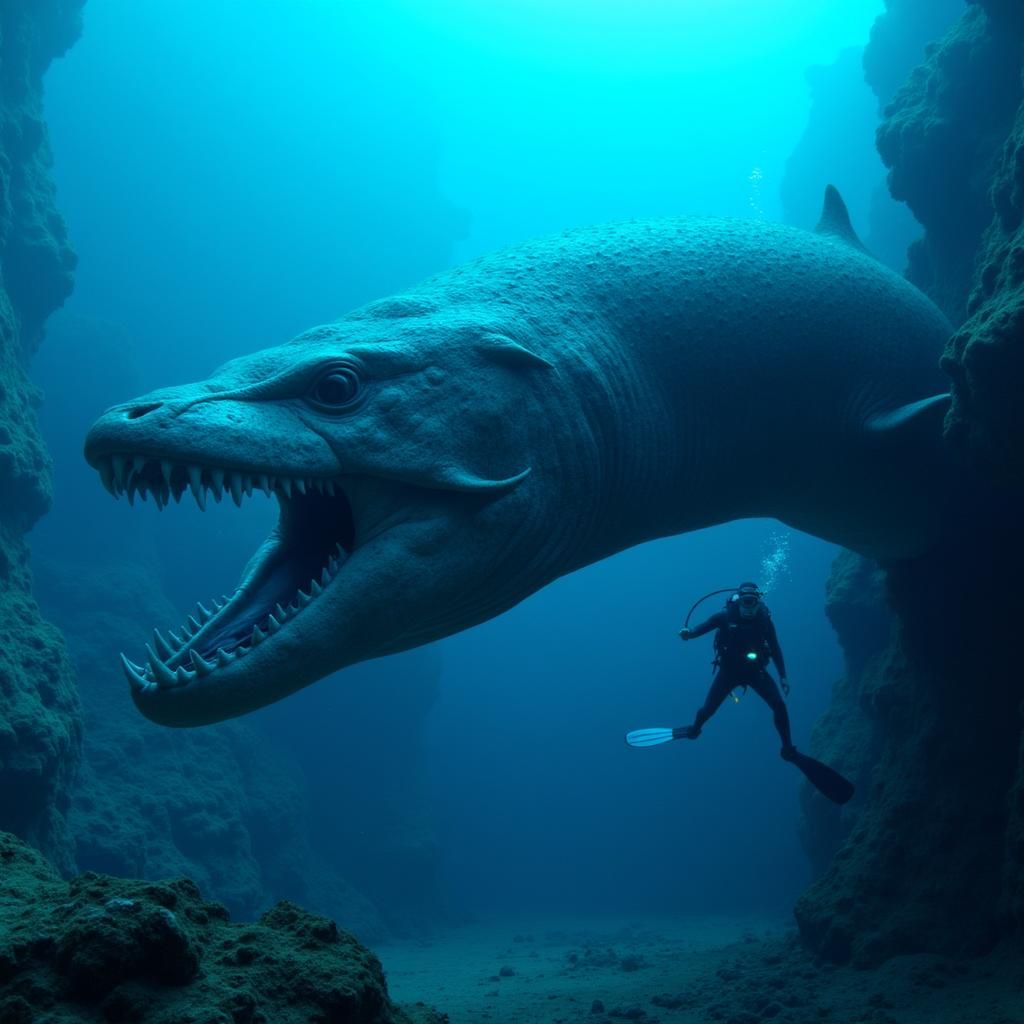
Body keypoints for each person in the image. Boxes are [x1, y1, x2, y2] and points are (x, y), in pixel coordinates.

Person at [673, 582, 796, 761]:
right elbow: (702, 628)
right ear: (738, 600)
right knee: (707, 710)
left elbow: (775, 648)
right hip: (729, 672)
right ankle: (694, 730)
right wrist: (689, 633)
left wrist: (783, 676)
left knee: (779, 705)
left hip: (756, 671)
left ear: (758, 602)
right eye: (745, 601)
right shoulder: (725, 616)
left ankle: (787, 748)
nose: (749, 606)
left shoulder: (764, 620)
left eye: (753, 601)